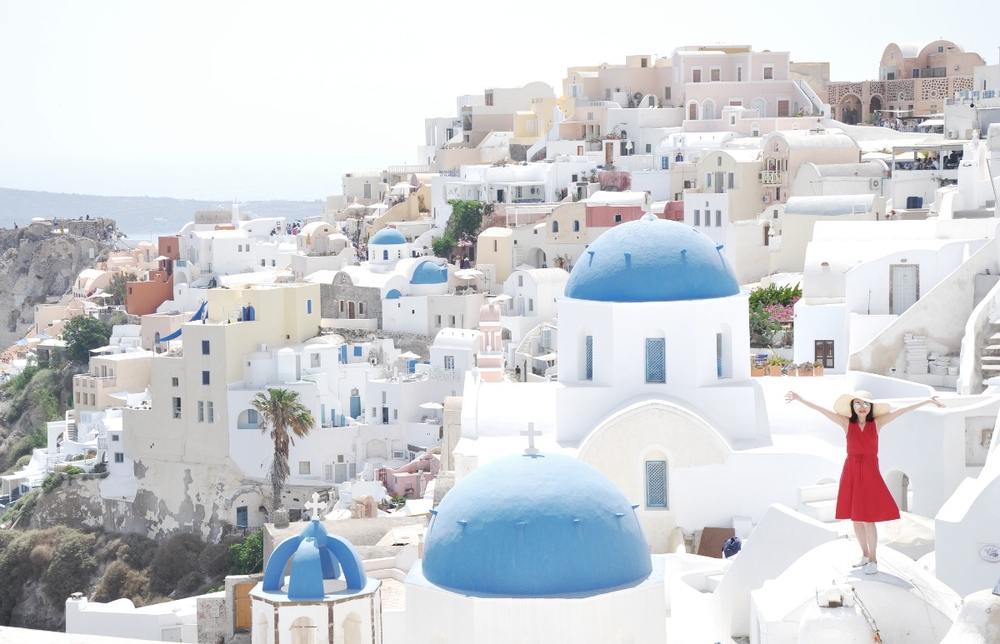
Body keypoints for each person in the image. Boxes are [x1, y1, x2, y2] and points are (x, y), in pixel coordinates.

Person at [785, 389, 944, 574]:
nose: (862, 407)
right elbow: (822, 410)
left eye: (866, 404)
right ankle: (865, 554)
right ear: (853, 406)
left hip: (869, 471)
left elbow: (903, 411)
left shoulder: (877, 423)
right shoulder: (846, 423)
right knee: (857, 518)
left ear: (870, 407)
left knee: (868, 519)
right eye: (858, 403)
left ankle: (874, 559)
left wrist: (927, 401)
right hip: (851, 470)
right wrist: (799, 398)